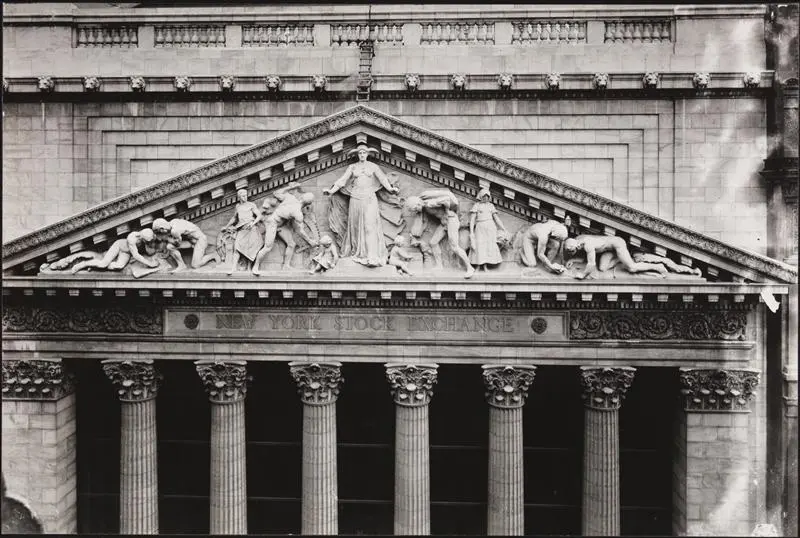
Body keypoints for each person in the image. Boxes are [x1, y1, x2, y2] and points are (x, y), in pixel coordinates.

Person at [324, 144, 399, 267]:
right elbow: (342, 180)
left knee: (369, 226)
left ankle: (372, 256)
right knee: (356, 228)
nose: (362, 155)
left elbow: (383, 179)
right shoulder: (352, 167)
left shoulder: (373, 166)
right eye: (360, 153)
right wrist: (331, 191)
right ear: (357, 155)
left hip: (369, 198)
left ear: (368, 154)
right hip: (355, 199)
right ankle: (359, 253)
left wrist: (391, 189)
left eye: (364, 152)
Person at [404, 188, 475, 279]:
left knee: (454, 246)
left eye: (415, 208)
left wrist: (446, 213)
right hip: (444, 223)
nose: (416, 211)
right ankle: (439, 266)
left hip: (451, 220)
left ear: (417, 204)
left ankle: (470, 267)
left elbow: (446, 200)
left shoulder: (429, 204)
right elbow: (424, 222)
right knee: (433, 242)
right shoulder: (425, 208)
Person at [252, 182, 318, 275]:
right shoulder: (298, 214)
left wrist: (288, 187)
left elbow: (276, 193)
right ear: (308, 204)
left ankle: (286, 266)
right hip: (272, 223)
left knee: (291, 244)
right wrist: (310, 241)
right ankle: (255, 266)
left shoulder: (291, 198)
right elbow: (300, 231)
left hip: (281, 226)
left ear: (301, 197)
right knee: (267, 247)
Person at [563, 235, 668, 279]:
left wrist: (582, 274)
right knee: (603, 268)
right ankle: (619, 259)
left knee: (631, 268)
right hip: (609, 251)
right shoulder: (579, 239)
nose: (571, 253)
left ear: (574, 247)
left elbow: (591, 264)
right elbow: (587, 257)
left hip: (617, 244)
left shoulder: (587, 245)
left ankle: (658, 267)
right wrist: (574, 260)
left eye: (571, 252)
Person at [70, 228, 157, 274]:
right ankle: (83, 264)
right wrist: (150, 264)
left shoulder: (148, 236)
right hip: (119, 246)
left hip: (126, 252)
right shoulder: (132, 238)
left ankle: (95, 266)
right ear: (142, 238)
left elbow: (151, 250)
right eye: (147, 241)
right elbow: (136, 255)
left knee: (119, 266)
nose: (147, 243)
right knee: (103, 263)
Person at [151, 217, 220, 272]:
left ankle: (213, 255)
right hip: (191, 241)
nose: (161, 233)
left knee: (195, 265)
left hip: (200, 240)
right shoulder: (172, 222)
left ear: (162, 228)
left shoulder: (175, 230)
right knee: (169, 247)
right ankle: (182, 265)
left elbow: (177, 243)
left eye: (160, 232)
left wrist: (166, 239)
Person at [222, 189, 263, 275]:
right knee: (237, 248)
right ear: (239, 197)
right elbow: (234, 218)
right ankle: (233, 268)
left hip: (251, 229)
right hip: (241, 229)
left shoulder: (251, 205)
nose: (245, 197)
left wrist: (253, 223)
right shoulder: (238, 206)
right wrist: (226, 226)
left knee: (251, 249)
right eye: (243, 196)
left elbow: (259, 215)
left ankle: (252, 269)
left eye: (246, 195)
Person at [468, 187, 508, 270]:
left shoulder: (491, 206)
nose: (486, 198)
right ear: (481, 197)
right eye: (484, 196)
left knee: (488, 246)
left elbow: (496, 218)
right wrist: (471, 232)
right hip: (480, 227)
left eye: (487, 197)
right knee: (479, 246)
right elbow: (472, 220)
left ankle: (485, 266)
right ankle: (478, 265)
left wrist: (503, 228)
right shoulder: (477, 205)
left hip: (490, 227)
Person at [632, 251, 703, 277]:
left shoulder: (644, 257)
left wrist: (690, 270)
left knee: (670, 264)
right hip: (639, 256)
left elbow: (675, 267)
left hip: (641, 255)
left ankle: (692, 271)